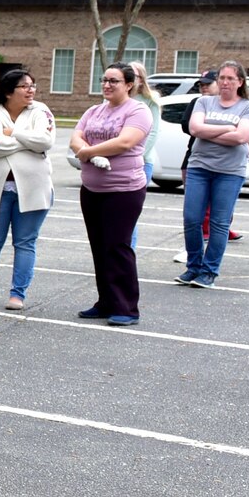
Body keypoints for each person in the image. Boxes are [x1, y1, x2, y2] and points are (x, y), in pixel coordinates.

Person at [71, 63, 152, 324]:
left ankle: (126, 308)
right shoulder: (94, 110)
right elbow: (76, 136)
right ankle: (105, 301)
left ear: (129, 84)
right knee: (99, 247)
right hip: (92, 189)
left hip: (124, 190)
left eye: (113, 81)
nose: (106, 85)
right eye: (104, 80)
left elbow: (125, 142)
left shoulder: (138, 111)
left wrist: (89, 152)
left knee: (117, 246)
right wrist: (83, 148)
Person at [0, 67, 55, 311]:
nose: (31, 90)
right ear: (9, 91)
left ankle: (18, 294)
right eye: (24, 86)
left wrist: (15, 133)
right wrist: (28, 144)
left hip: (34, 188)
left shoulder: (41, 111)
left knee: (25, 243)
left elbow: (46, 141)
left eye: (33, 85)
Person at [177, 61, 249, 288]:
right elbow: (194, 129)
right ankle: (193, 267)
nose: (225, 82)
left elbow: (242, 138)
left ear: (240, 82)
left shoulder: (248, 107)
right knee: (192, 219)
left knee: (219, 222)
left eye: (230, 78)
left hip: (230, 172)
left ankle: (209, 271)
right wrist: (227, 129)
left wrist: (208, 132)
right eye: (222, 77)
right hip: (199, 167)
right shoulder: (203, 101)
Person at [123, 62, 160, 248]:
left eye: (134, 75)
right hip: (115, 163)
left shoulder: (150, 101)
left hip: (141, 163)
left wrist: (132, 154)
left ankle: (129, 255)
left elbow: (152, 134)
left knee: (130, 215)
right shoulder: (113, 99)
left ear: (141, 79)